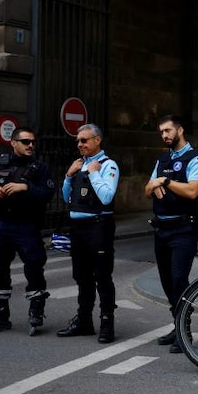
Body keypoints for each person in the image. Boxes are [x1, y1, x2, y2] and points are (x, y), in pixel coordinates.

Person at [0, 127, 56, 335]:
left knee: (34, 266)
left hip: (26, 224)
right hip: (2, 224)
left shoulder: (40, 168)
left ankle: (36, 308)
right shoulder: (0, 164)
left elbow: (47, 193)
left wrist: (26, 188)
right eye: (26, 142)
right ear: (13, 143)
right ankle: (0, 311)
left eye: (32, 142)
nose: (30, 146)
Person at [144, 115, 198, 354]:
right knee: (167, 282)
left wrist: (166, 182)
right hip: (161, 229)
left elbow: (192, 191)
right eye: (161, 132)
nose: (165, 135)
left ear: (180, 130)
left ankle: (185, 330)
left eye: (168, 130)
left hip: (184, 230)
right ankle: (177, 323)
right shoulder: (162, 160)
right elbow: (147, 188)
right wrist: (155, 184)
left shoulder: (196, 159)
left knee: (179, 279)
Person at [57, 123, 120, 344]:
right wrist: (68, 175)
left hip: (98, 225)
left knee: (102, 276)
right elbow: (67, 199)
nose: (80, 144)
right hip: (77, 229)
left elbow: (106, 197)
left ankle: (107, 323)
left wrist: (93, 174)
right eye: (78, 141)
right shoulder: (78, 165)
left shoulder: (108, 165)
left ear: (97, 140)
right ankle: (84, 321)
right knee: (81, 276)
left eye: (84, 140)